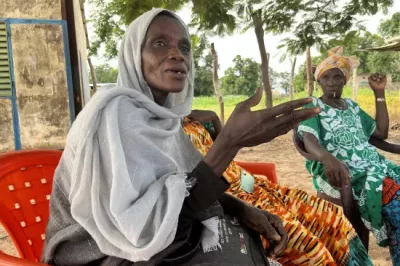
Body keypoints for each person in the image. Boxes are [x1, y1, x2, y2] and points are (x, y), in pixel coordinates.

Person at [41, 8, 321, 266]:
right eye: (159, 44)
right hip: (99, 253)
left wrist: (242, 207)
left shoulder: (164, 118)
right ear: (133, 55)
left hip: (154, 242)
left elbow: (183, 189)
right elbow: (147, 229)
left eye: (184, 47)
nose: (177, 55)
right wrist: (230, 142)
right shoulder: (114, 114)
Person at [183, 113, 372, 265]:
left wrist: (219, 122)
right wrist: (240, 206)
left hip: (253, 185)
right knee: (306, 246)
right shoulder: (161, 133)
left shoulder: (198, 118)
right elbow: (187, 187)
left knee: (332, 218)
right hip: (224, 198)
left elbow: (227, 152)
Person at [297, 46, 400, 265]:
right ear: (319, 81)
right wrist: (327, 158)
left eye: (338, 77)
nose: (332, 81)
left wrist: (379, 93)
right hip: (340, 170)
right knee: (395, 203)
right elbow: (309, 140)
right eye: (326, 77)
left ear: (345, 81)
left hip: (373, 165)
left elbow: (380, 133)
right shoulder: (313, 106)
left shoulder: (351, 106)